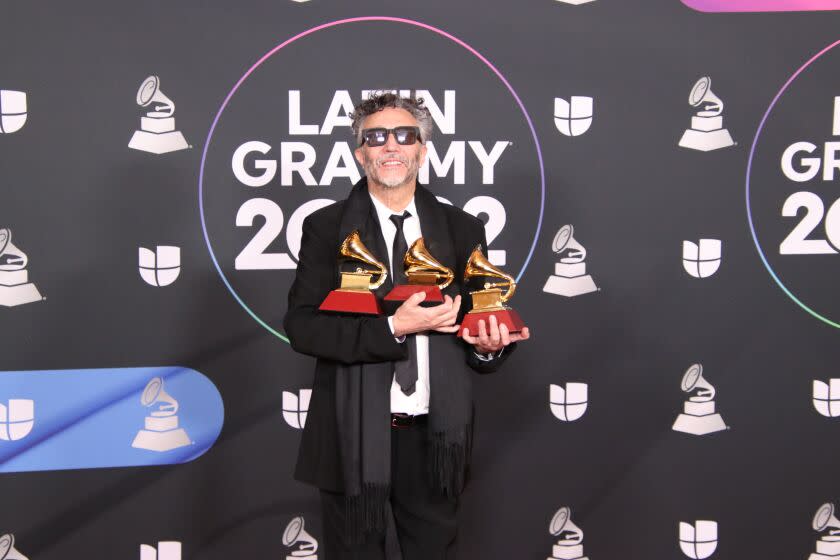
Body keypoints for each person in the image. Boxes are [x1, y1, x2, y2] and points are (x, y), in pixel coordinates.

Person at [284, 92, 530, 560]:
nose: (391, 146)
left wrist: (489, 345)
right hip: (350, 436)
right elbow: (302, 327)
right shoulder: (325, 227)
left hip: (434, 438)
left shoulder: (461, 229)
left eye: (405, 135)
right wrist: (393, 326)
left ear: (423, 149)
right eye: (375, 137)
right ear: (360, 153)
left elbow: (477, 322)